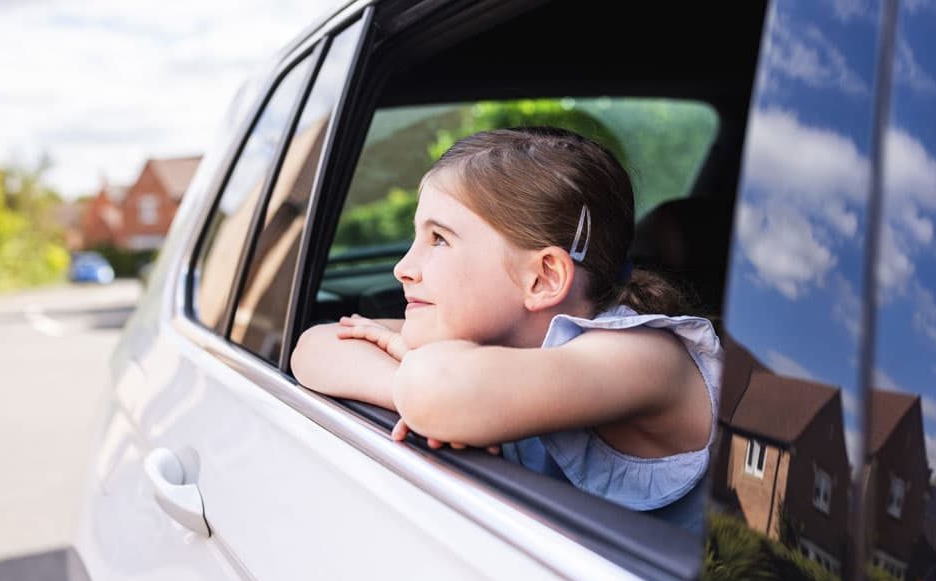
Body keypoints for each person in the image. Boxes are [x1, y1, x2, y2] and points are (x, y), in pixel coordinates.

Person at [291, 126, 723, 531]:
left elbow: (435, 387)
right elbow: (314, 346)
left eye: (439, 239)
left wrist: (431, 384)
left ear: (542, 278)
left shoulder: (644, 357)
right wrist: (412, 384)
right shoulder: (492, 335)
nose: (402, 268)